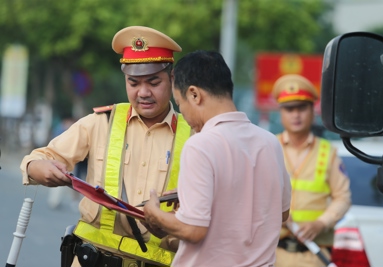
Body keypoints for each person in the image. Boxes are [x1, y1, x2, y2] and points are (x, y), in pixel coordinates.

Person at [20, 26, 191, 267]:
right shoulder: (102, 122)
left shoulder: (195, 136)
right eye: (133, 83)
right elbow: (38, 159)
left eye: (153, 82)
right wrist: (40, 168)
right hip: (93, 259)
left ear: (172, 80)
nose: (143, 92)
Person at [143, 50, 292, 267]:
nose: (182, 113)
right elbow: (282, 213)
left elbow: (193, 230)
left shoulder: (200, 145)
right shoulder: (270, 142)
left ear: (194, 95)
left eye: (179, 103)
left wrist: (154, 213)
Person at [271, 74, 351, 267]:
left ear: (312, 111)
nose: (296, 115)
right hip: (271, 254)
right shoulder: (268, 146)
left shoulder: (328, 152)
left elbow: (343, 197)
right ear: (281, 113)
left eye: (302, 107)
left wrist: (321, 223)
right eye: (289, 109)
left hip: (314, 256)